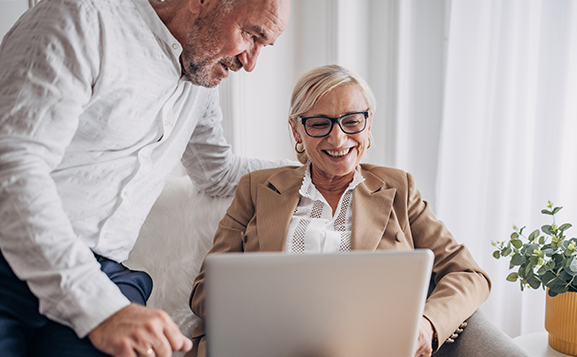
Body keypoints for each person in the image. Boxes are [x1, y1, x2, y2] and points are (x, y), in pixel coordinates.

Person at [0, 0, 291, 356]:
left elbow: (218, 173)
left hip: (105, 274)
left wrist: (315, 169)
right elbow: (13, 168)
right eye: (251, 35)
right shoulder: (83, 17)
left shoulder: (200, 77)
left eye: (264, 45)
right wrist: (101, 308)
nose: (250, 62)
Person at [187, 64, 530, 357]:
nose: (338, 140)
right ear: (296, 130)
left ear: (368, 124)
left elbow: (470, 274)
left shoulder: (400, 190)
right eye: (320, 124)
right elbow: (205, 291)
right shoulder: (256, 189)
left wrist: (427, 324)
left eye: (351, 121)